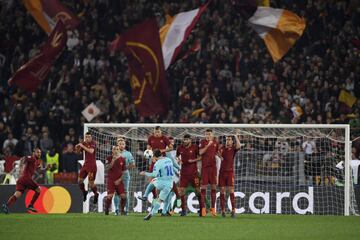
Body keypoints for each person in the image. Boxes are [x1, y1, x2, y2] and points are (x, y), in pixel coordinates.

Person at [2, 148, 42, 214]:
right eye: (37, 152)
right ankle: (30, 205)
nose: (39, 154)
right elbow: (23, 158)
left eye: (40, 152)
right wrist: (20, 166)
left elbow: (39, 169)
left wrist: (47, 168)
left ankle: (6, 206)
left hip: (21, 180)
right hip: (26, 178)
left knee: (17, 194)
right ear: (33, 153)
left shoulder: (37, 161)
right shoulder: (32, 158)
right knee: (38, 190)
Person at [140, 149, 176, 221]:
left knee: (153, 181)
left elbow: (154, 174)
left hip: (161, 182)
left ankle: (145, 196)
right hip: (170, 184)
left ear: (154, 156)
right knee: (160, 200)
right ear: (161, 154)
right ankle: (151, 213)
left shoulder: (158, 163)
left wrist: (145, 173)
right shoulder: (168, 159)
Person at [176, 134, 201, 216]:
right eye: (184, 139)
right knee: (181, 191)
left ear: (190, 140)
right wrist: (179, 160)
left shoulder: (195, 147)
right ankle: (183, 210)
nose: (185, 141)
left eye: (187, 139)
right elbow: (176, 156)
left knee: (198, 191)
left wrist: (193, 160)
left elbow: (200, 157)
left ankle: (202, 209)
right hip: (183, 173)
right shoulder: (180, 148)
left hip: (194, 174)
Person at [146, 126, 173, 198]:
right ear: (154, 132)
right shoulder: (150, 138)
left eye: (158, 132)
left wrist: (162, 150)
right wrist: (151, 157)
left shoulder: (164, 138)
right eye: (155, 132)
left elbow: (171, 147)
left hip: (163, 162)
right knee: (151, 180)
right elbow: (148, 149)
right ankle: (155, 197)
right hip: (154, 161)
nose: (157, 134)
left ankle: (167, 198)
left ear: (161, 131)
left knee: (164, 181)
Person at [219, 134, 241, 218]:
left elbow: (239, 146)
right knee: (222, 191)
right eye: (226, 139)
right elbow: (218, 154)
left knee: (231, 190)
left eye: (229, 139)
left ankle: (233, 210)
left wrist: (235, 136)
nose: (227, 141)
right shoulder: (222, 148)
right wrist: (219, 156)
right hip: (222, 172)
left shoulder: (233, 148)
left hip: (230, 172)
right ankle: (223, 211)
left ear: (232, 141)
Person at [199, 129, 219, 217]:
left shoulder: (216, 143)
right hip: (205, 169)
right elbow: (200, 152)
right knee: (203, 188)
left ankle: (213, 209)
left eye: (209, 134)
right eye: (206, 134)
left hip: (213, 168)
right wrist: (208, 145)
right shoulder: (202, 142)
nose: (207, 135)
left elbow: (217, 153)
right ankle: (203, 209)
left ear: (212, 135)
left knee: (214, 188)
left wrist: (221, 157)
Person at [113, 137, 135, 215]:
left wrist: (124, 168)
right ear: (117, 145)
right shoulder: (114, 153)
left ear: (125, 145)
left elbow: (133, 164)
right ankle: (116, 209)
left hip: (125, 174)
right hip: (116, 175)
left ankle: (125, 209)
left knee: (125, 192)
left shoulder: (128, 154)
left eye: (123, 144)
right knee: (116, 192)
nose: (121, 145)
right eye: (120, 144)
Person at [76, 132, 99, 203]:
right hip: (85, 165)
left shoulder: (93, 143)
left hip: (92, 166)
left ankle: (96, 194)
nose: (87, 138)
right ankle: (84, 192)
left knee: (91, 183)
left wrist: (82, 146)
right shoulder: (84, 143)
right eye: (86, 137)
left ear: (91, 138)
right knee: (79, 181)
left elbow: (91, 151)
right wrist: (77, 148)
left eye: (89, 137)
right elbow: (78, 152)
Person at [104, 146, 127, 215]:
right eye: (114, 149)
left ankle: (122, 210)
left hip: (119, 181)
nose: (116, 150)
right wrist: (113, 160)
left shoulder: (122, 159)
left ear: (119, 151)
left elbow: (124, 172)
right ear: (112, 150)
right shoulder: (109, 158)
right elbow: (107, 168)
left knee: (123, 196)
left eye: (117, 149)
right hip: (111, 180)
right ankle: (107, 209)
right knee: (109, 196)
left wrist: (119, 180)